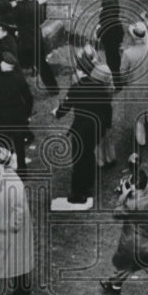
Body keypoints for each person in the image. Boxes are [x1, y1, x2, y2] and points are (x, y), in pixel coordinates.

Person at [52, 52, 110, 210]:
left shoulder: (76, 88)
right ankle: (89, 179)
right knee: (89, 153)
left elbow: (65, 106)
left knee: (79, 160)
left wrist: (57, 113)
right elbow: (107, 108)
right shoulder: (99, 86)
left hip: (81, 130)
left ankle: (79, 193)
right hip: (96, 128)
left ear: (80, 71)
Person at [0, 142, 35, 295]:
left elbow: (19, 211)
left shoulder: (13, 183)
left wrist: (9, 227)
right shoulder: (1, 178)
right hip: (9, 232)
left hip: (15, 233)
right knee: (14, 265)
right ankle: (18, 293)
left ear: (2, 165)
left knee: (20, 267)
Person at [100, 166, 148, 294]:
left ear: (134, 186)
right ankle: (115, 284)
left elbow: (116, 212)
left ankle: (114, 284)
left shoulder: (132, 204)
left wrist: (123, 194)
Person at [0, 52, 34, 172]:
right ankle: (22, 169)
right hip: (18, 117)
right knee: (19, 144)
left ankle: (7, 167)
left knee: (3, 142)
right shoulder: (19, 78)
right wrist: (27, 114)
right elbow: (29, 98)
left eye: (2, 62)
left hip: (3, 117)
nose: (0, 64)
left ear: (7, 65)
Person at [96, 0, 124, 80]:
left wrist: (99, 30)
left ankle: (117, 82)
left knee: (112, 59)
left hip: (110, 35)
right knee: (115, 56)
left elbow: (108, 21)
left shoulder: (108, 2)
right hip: (116, 32)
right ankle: (119, 75)